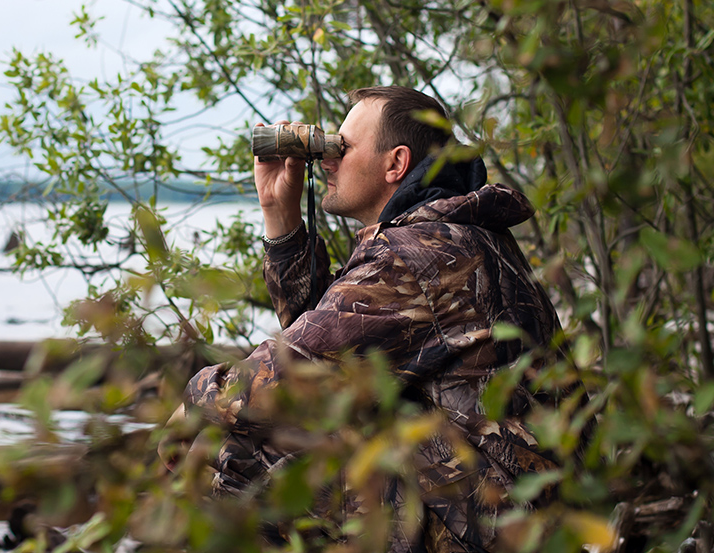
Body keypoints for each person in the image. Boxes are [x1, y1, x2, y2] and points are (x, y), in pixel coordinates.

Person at [165, 86, 563, 552]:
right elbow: (326, 346)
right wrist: (280, 213)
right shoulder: (455, 235)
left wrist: (191, 403)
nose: (328, 160)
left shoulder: (418, 254)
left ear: (395, 163)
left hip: (495, 524)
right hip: (519, 508)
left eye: (343, 147)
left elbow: (285, 380)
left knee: (236, 456)